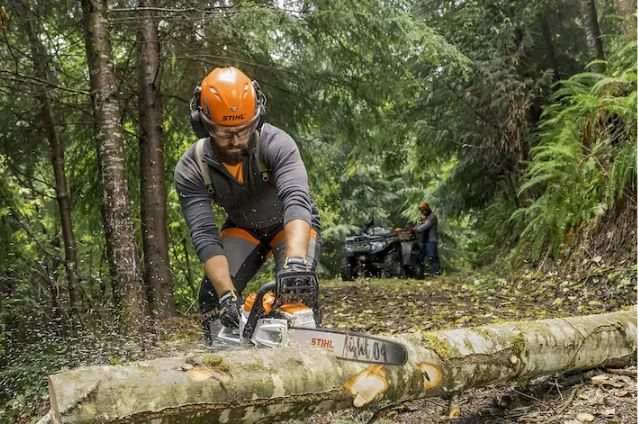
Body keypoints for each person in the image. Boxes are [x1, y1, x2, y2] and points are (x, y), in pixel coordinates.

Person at [174, 66, 321, 344]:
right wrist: (227, 296)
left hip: (288, 226)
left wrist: (296, 264)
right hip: (244, 228)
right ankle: (227, 364)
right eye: (223, 132)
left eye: (243, 130)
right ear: (202, 124)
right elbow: (204, 235)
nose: (236, 140)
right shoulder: (192, 167)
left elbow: (297, 200)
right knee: (212, 296)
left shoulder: (277, 144)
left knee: (296, 291)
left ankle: (308, 356)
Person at [415, 200, 440, 278]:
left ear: (428, 208)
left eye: (424, 209)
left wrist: (416, 229)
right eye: (422, 210)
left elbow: (423, 227)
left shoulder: (432, 217)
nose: (423, 211)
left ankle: (436, 273)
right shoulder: (426, 218)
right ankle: (420, 273)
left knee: (432, 257)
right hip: (425, 242)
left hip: (431, 241)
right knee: (419, 257)